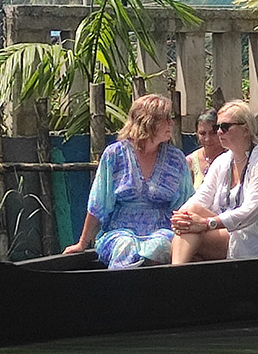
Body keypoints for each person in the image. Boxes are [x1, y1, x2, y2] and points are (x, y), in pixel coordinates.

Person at [65, 93, 193, 268]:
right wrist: (82, 243)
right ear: (148, 121)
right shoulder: (114, 154)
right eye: (166, 119)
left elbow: (187, 203)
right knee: (125, 246)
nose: (172, 123)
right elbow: (98, 202)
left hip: (162, 230)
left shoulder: (176, 159)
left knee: (160, 246)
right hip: (119, 231)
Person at [170, 99, 258, 262]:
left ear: (245, 129)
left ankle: (173, 273)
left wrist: (207, 223)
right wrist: (180, 217)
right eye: (217, 127)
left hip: (255, 239)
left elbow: (250, 211)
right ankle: (176, 272)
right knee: (191, 215)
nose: (219, 132)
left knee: (190, 233)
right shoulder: (223, 161)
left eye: (224, 127)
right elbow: (202, 196)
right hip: (226, 233)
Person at [187, 108, 224, 190]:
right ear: (197, 134)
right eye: (202, 133)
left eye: (212, 133)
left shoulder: (232, 159)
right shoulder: (190, 162)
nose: (208, 139)